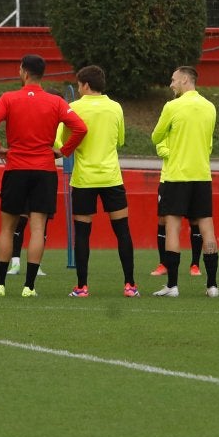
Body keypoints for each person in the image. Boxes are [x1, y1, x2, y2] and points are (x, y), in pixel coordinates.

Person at [0, 54, 87, 297]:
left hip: (16, 168)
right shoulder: (55, 102)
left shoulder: (9, 98)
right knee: (38, 229)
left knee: (7, 228)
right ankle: (29, 287)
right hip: (44, 170)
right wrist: (63, 151)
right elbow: (80, 128)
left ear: (23, 72)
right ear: (42, 74)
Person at [57, 65, 137, 298]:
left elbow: (65, 141)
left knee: (82, 233)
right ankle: (130, 285)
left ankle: (82, 287)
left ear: (85, 85)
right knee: (122, 231)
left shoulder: (74, 108)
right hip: (111, 176)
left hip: (84, 179)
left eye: (79, 84)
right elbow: (120, 140)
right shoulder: (115, 108)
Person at [148, 65, 217, 298]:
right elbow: (208, 144)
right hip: (202, 175)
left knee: (173, 228)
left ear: (186, 80)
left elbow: (156, 136)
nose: (171, 84)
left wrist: (171, 135)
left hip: (177, 175)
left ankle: (173, 285)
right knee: (207, 228)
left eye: (174, 80)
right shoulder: (210, 107)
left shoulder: (172, 106)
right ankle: (212, 285)